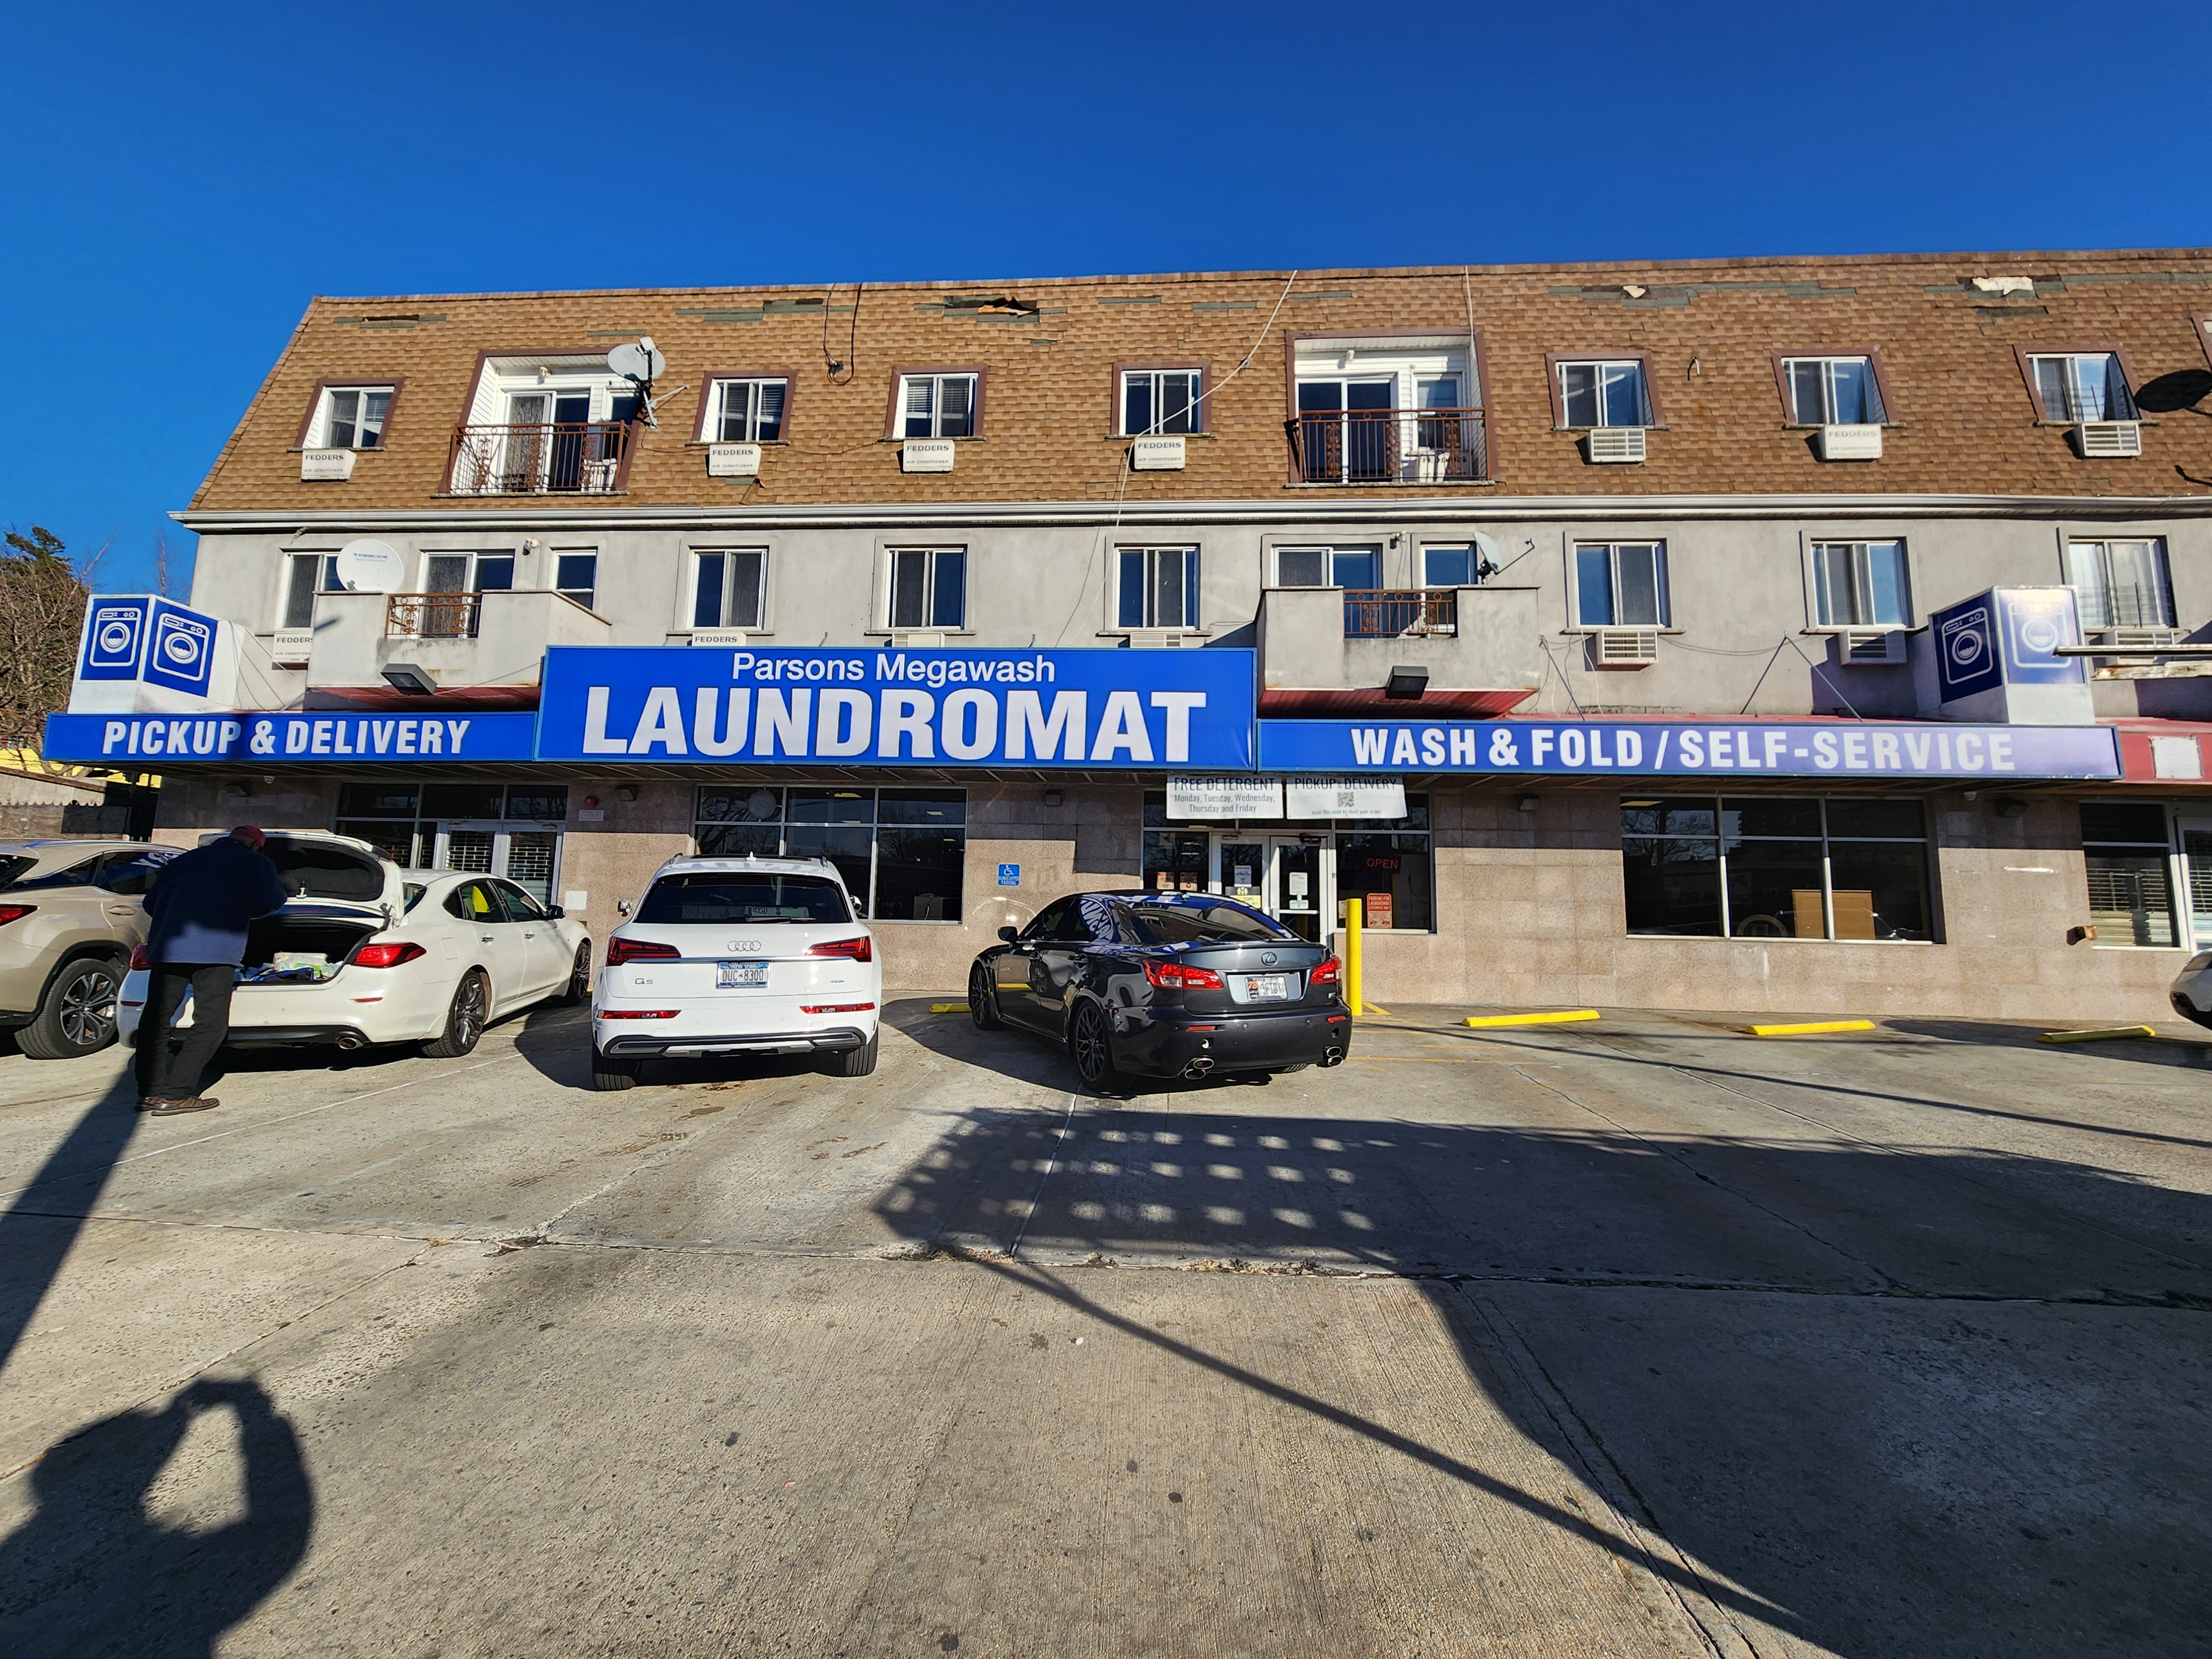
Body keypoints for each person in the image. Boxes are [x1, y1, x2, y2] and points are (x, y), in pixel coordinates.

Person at [134, 825, 286, 1114]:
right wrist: (236, 910)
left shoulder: (182, 861)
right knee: (210, 1023)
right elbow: (272, 903)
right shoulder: (256, 863)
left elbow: (151, 904)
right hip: (216, 952)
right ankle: (177, 1094)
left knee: (156, 1019)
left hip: (168, 949)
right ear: (256, 846)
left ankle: (150, 1093)